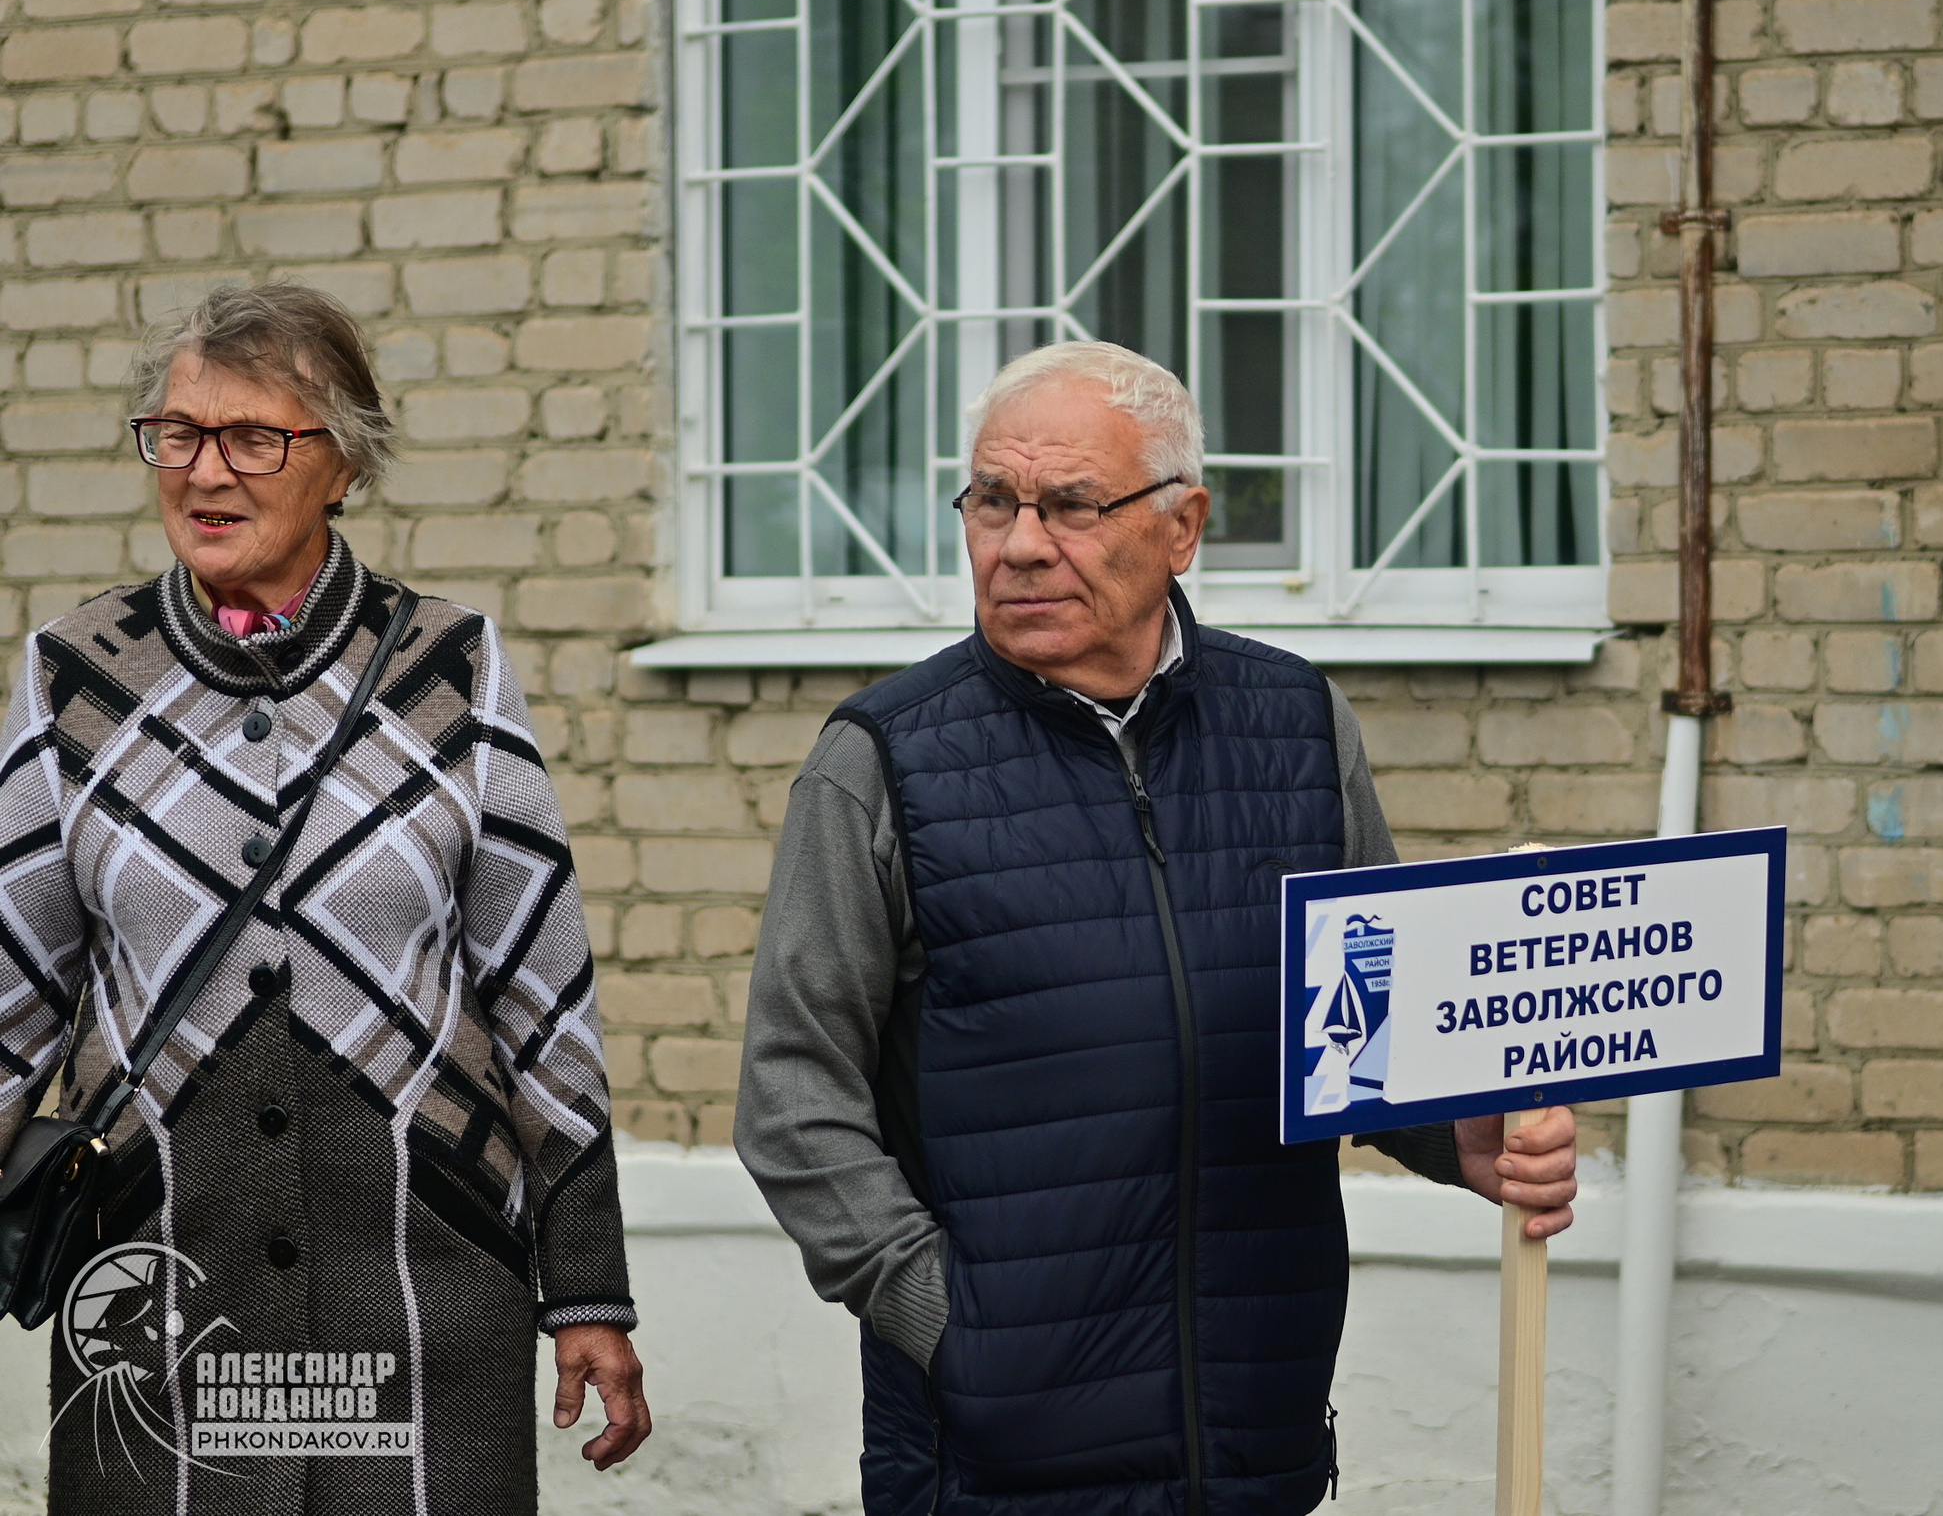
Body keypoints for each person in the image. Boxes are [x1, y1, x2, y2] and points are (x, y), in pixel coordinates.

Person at [737, 341, 1579, 1516]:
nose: (1020, 542)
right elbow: (792, 1089)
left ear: (1181, 527)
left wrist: (1463, 1137)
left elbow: (1360, 1031)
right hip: (993, 1462)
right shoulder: (884, 759)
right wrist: (944, 1319)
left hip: (1251, 1439)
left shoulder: (1295, 724)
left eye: (1071, 505)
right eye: (991, 500)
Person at [0, 283, 649, 1513]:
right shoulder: (73, 680)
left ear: (343, 459)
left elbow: (542, 995)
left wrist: (588, 1291)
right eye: (178, 432)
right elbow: (9, 1000)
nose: (205, 469)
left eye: (255, 437)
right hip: (157, 1296)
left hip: (426, 1285)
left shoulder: (454, 671)